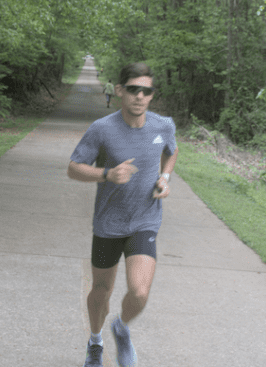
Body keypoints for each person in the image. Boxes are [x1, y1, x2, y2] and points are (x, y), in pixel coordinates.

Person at [67, 62, 179, 367]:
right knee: (100, 292)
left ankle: (121, 328)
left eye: (147, 91)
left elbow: (171, 151)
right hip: (108, 224)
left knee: (140, 291)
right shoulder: (102, 129)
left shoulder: (162, 125)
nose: (140, 96)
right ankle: (95, 341)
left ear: (152, 95)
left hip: (144, 221)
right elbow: (74, 168)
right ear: (120, 91)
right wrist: (106, 174)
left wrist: (164, 179)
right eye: (133, 89)